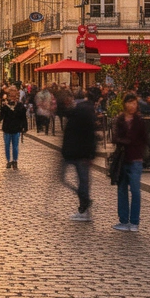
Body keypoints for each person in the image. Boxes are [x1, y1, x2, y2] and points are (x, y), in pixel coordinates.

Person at [112, 92, 147, 232]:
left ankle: (134, 222)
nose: (132, 105)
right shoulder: (120, 119)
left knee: (135, 190)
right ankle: (123, 220)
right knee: (122, 190)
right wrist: (126, 141)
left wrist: (133, 144)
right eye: (130, 102)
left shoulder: (139, 121)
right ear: (124, 104)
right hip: (122, 159)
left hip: (136, 159)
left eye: (134, 103)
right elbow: (115, 137)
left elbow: (144, 139)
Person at [61, 90, 97, 221]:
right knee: (80, 181)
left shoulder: (81, 111)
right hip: (76, 152)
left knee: (82, 182)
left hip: (80, 154)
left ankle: (85, 207)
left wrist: (90, 154)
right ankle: (85, 206)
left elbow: (90, 135)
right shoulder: (80, 111)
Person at [0, 89, 27, 169]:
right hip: (7, 128)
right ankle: (8, 161)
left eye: (14, 96)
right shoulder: (5, 106)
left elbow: (23, 118)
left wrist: (24, 127)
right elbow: (1, 117)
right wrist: (0, 113)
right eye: (11, 96)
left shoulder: (20, 106)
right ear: (8, 97)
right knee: (7, 145)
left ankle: (14, 161)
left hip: (16, 128)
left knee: (15, 146)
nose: (13, 98)